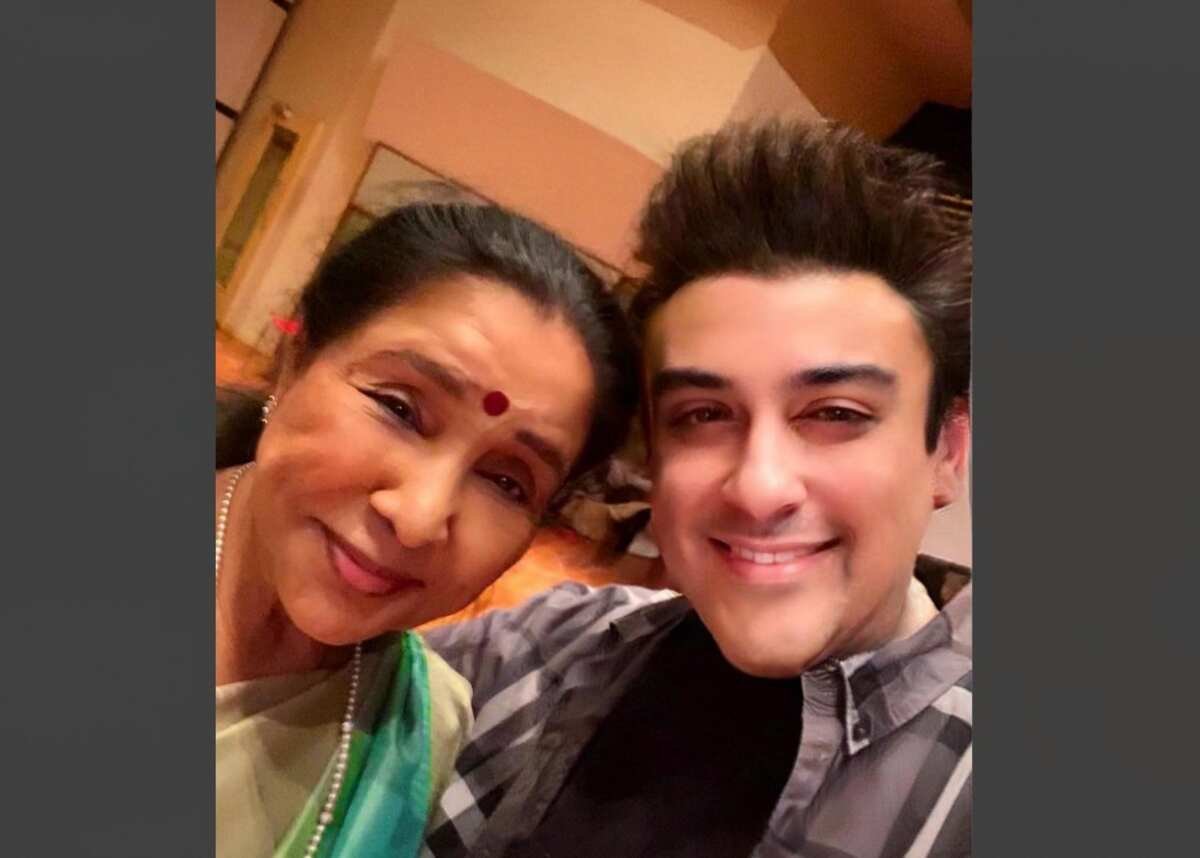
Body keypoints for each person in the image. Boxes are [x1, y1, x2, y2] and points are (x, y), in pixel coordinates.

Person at [421, 119, 973, 858]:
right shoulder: (544, 655)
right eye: (704, 415)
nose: (758, 487)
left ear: (948, 451)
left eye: (836, 414)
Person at [215, 200, 638, 857]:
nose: (417, 518)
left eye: (507, 482)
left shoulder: (422, 733)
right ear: (295, 360)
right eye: (398, 408)